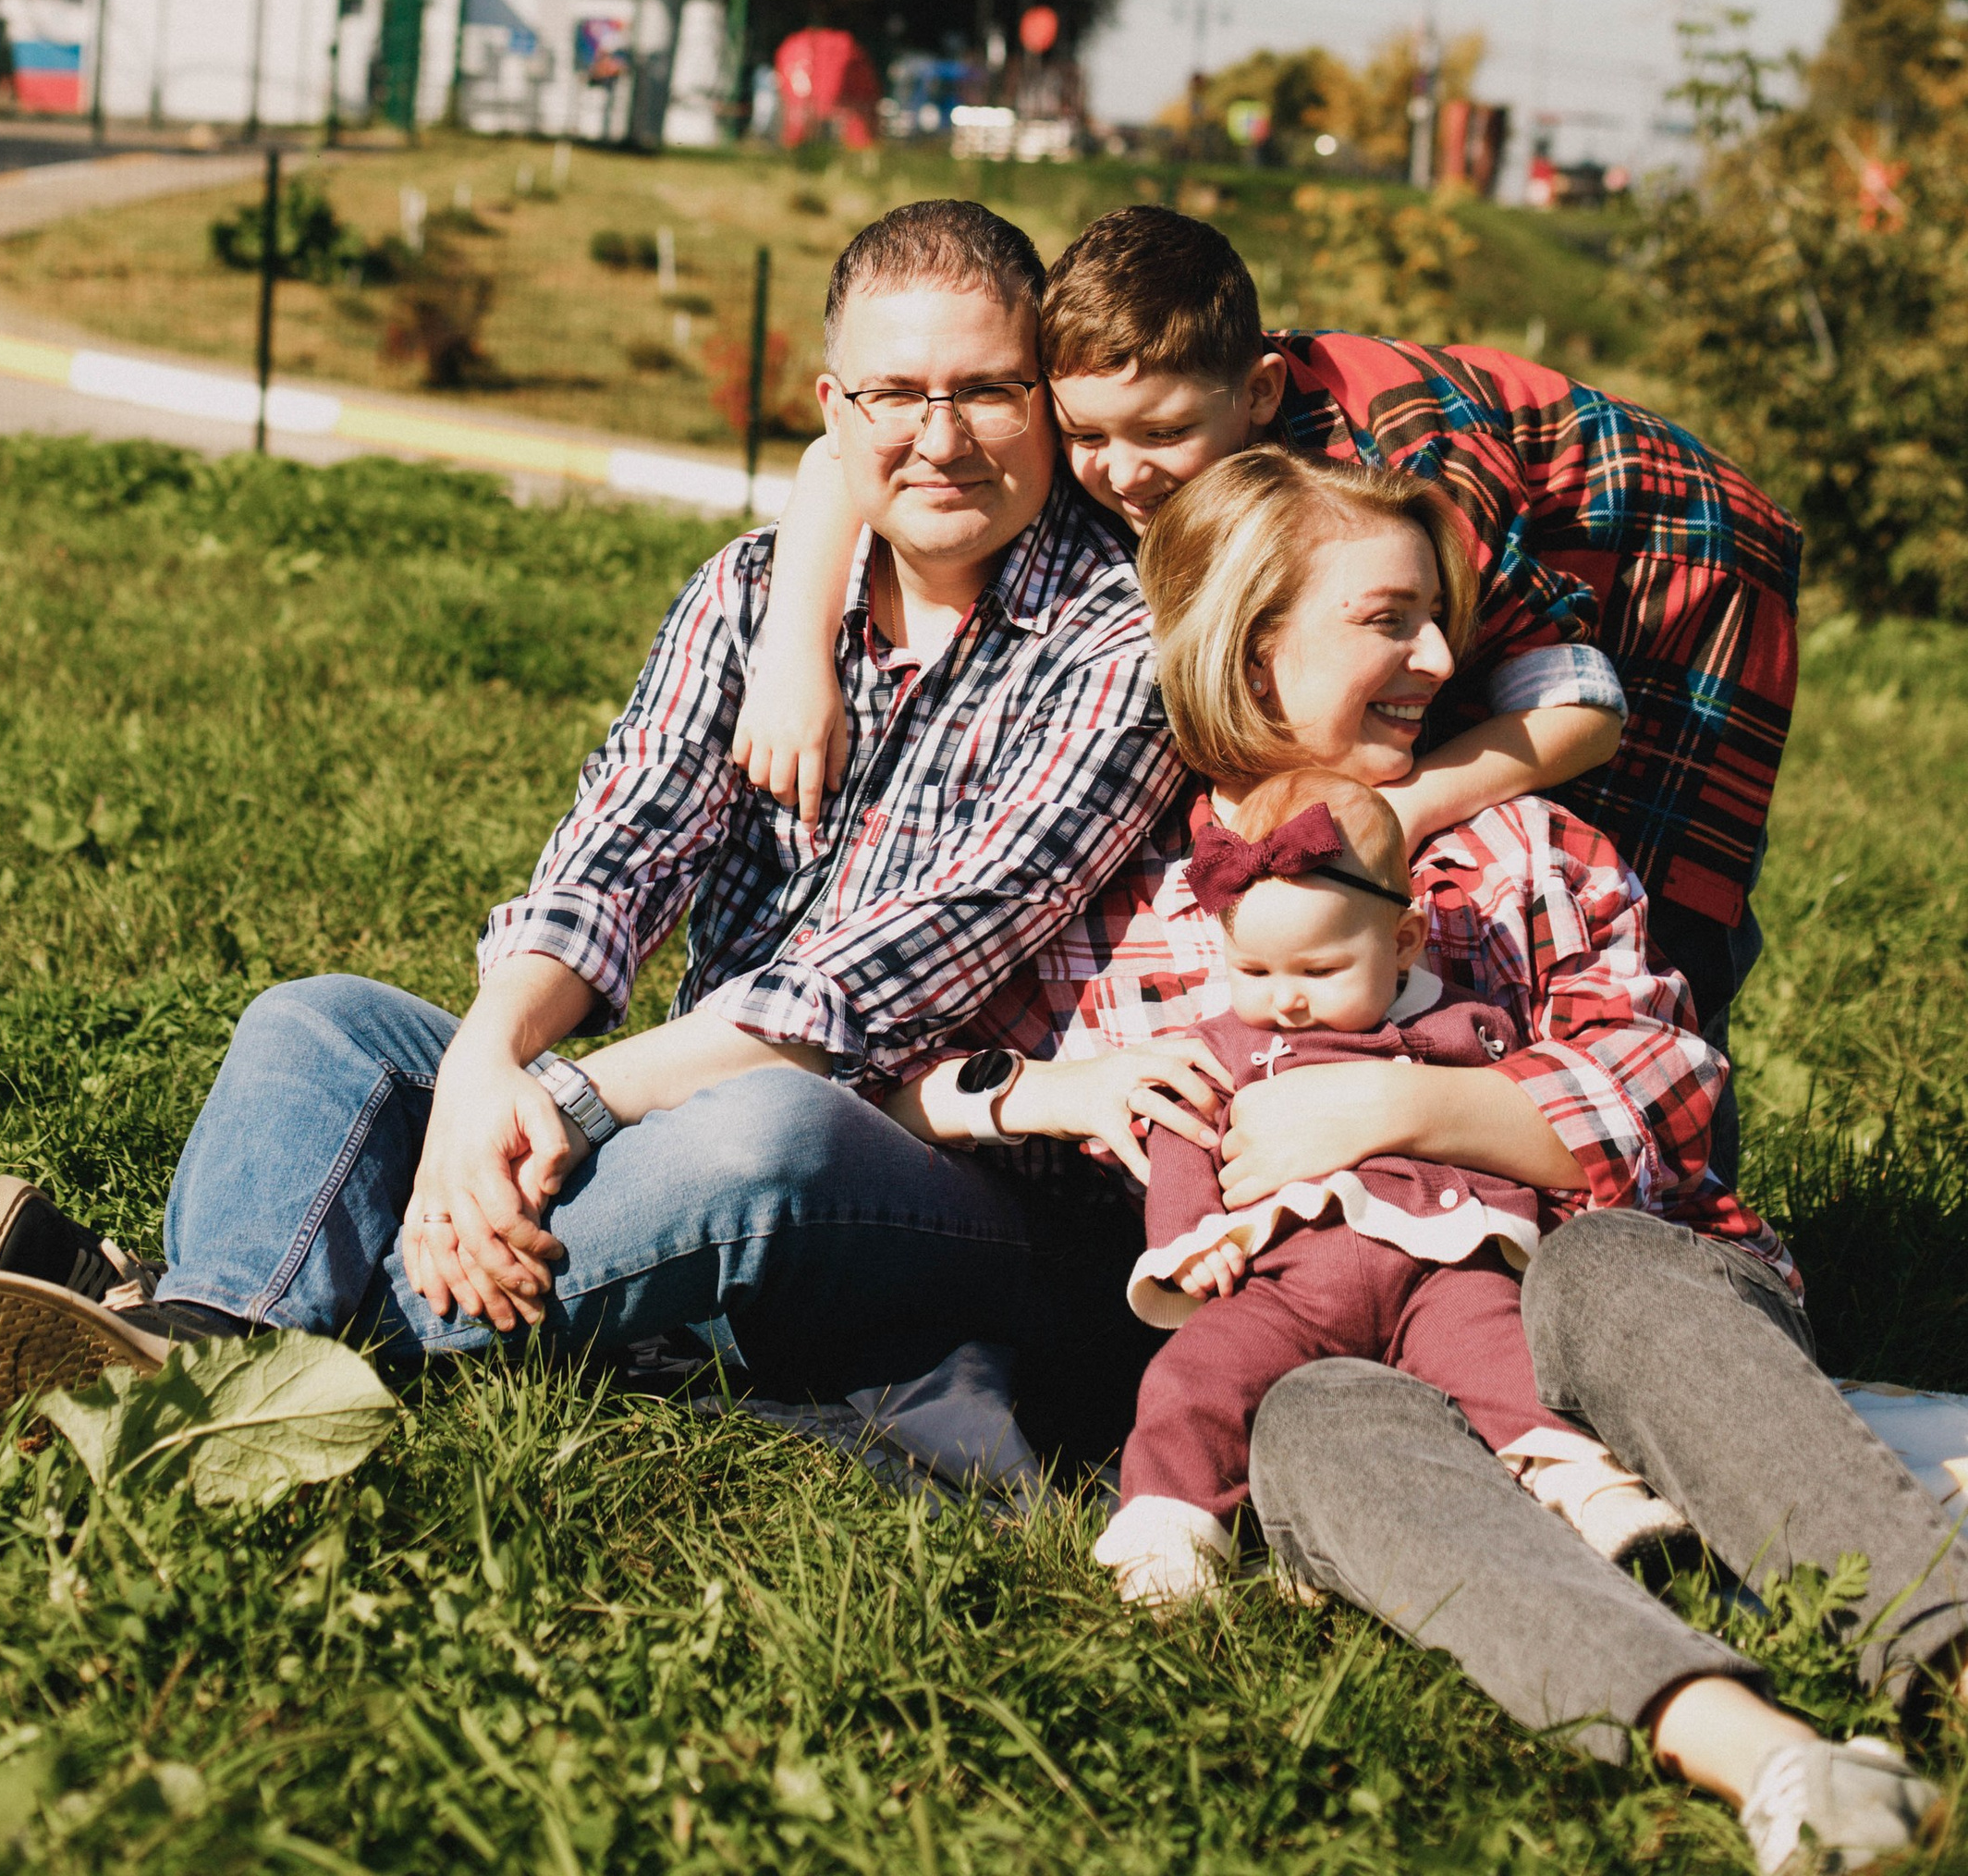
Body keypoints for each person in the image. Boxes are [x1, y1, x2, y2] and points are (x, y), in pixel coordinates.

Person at [0, 200, 1199, 1447]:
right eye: (896, 396)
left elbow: (867, 992)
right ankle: (206, 1331)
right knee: (319, 1022)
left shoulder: (1126, 649)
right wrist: (485, 1062)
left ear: (1045, 395)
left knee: (767, 1137)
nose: (942, 436)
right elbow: (614, 854)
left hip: (948, 1161)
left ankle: (197, 1335)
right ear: (833, 410)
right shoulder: (755, 590)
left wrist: (556, 1100)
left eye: (984, 391)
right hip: (679, 1093)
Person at [887, 448, 1953, 1876]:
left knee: (1611, 1268)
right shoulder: (1119, 889)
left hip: (1591, 1304)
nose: (1445, 656)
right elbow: (883, 1069)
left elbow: (1672, 1095)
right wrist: (1035, 1093)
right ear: (1257, 645)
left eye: (1437, 617)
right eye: (1389, 619)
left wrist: (1400, 1111)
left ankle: (1939, 1649)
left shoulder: (1521, 848)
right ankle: (1765, 1759)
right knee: (1321, 1421)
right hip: (1338, 1356)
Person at [734, 203, 1798, 1052]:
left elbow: (1581, 702)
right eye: (1087, 436)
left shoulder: (1395, 487)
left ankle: (1650, 1113)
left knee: (1636, 891)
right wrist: (794, 655)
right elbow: (844, 448)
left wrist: (1396, 809)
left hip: (1667, 567)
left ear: (1257, 397)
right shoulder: (1113, 397)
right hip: (1468, 559)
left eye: (1163, 434)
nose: (1122, 470)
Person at [1098, 768, 1681, 1610]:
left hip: (1445, 1269)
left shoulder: (1464, 1027)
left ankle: (1593, 1496)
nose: (1288, 999)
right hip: (1284, 1281)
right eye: (1254, 970)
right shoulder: (1223, 1045)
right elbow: (1182, 1140)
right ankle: (1171, 1530)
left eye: (1322, 968)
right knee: (1195, 1376)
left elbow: (1514, 1118)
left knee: (1509, 1364)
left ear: (1404, 942)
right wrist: (1190, 1242)